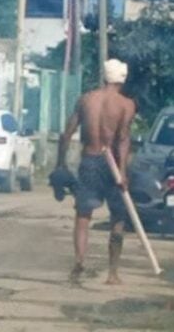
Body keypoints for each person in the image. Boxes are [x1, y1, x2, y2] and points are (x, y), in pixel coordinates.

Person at [56, 58, 137, 285]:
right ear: (123, 79)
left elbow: (66, 134)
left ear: (104, 77)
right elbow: (122, 139)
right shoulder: (126, 104)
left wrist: (60, 164)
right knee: (118, 218)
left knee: (83, 215)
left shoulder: (86, 99)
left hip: (90, 159)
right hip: (111, 164)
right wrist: (122, 173)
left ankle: (80, 261)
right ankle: (113, 274)